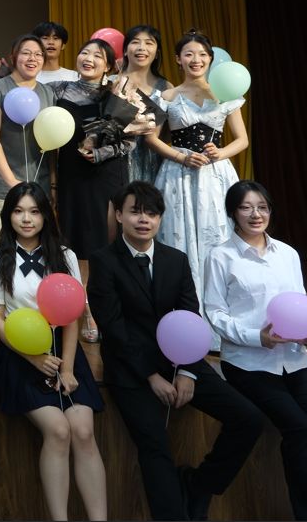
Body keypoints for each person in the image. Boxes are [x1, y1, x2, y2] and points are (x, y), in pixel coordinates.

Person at [87, 181, 264, 521]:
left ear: (160, 218)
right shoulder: (104, 261)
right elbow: (114, 328)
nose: (144, 219)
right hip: (131, 368)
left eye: (152, 213)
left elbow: (189, 315)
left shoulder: (175, 259)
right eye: (135, 212)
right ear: (119, 215)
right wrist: (151, 376)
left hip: (179, 359)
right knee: (155, 446)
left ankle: (199, 484)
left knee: (248, 418)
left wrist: (186, 371)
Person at [203, 181, 307, 520]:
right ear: (232, 213)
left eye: (262, 207)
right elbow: (215, 313)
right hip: (248, 364)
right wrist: (258, 337)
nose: (255, 214)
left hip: (295, 360)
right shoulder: (221, 256)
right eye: (246, 207)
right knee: (299, 428)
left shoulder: (287, 254)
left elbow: (301, 304)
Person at [0, 182, 107, 521]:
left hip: (64, 350)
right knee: (58, 430)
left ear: (46, 216)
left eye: (35, 212)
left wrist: (67, 368)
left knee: (83, 431)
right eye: (18, 211)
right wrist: (33, 359)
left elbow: (72, 314)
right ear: (8, 216)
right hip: (17, 353)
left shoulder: (65, 255)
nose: (26, 219)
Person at [149, 30, 249, 317]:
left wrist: (221, 153)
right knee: (176, 238)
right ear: (178, 59)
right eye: (189, 54)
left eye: (203, 54)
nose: (196, 59)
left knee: (217, 236)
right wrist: (181, 156)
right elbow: (151, 139)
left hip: (215, 176)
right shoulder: (167, 96)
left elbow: (242, 140)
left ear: (210, 59)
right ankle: (183, 314)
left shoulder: (226, 93)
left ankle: (220, 316)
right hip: (177, 174)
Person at [51, 39, 155, 262]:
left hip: (106, 174)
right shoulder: (59, 89)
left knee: (104, 238)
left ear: (108, 66)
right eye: (84, 53)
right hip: (71, 172)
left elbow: (131, 141)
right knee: (73, 239)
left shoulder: (120, 93)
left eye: (97, 56)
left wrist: (100, 153)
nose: (89, 59)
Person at [0, 33, 55, 255]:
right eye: (26, 53)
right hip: (2, 188)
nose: (33, 59)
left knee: (34, 254)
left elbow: (52, 143)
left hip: (39, 188)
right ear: (14, 57)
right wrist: (11, 181)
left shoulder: (47, 92)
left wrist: (52, 184)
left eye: (38, 54)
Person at [119, 25, 173, 185]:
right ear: (125, 50)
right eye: (135, 42)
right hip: (116, 164)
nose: (141, 48)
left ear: (157, 53)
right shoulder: (111, 83)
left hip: (152, 163)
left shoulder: (166, 88)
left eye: (149, 43)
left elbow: (169, 134)